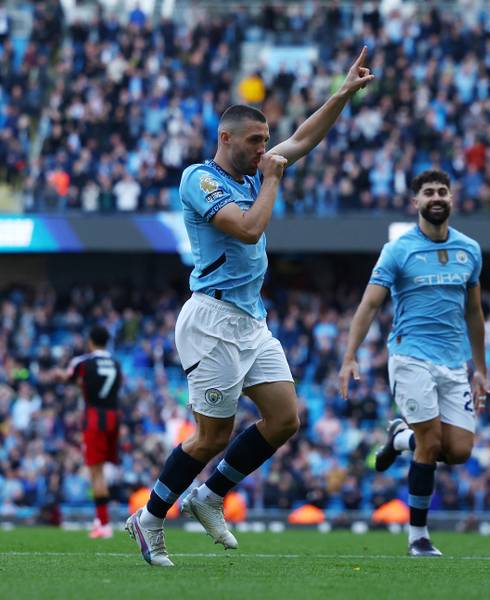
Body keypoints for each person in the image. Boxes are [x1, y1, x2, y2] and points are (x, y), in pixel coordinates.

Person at [125, 48, 374, 567]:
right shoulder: (201, 179)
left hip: (250, 320)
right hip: (210, 320)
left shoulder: (253, 172)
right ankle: (149, 519)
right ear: (227, 139)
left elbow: (303, 138)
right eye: (256, 141)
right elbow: (247, 227)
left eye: (266, 140)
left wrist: (342, 94)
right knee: (212, 434)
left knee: (285, 419)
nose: (265, 149)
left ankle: (211, 496)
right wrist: (275, 179)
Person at [338, 169, 489, 557]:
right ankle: (418, 536)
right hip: (410, 357)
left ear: (452, 199)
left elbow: (474, 313)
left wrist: (481, 367)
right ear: (415, 202)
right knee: (431, 441)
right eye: (428, 192)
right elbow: (370, 304)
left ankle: (397, 438)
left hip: (455, 363)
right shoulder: (398, 250)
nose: (436, 197)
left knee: (458, 452)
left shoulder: (469, 249)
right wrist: (350, 355)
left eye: (442, 191)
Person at [58, 325, 123, 539]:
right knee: (103, 469)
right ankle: (100, 519)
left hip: (95, 417)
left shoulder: (84, 362)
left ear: (90, 342)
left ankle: (103, 524)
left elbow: (69, 378)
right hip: (113, 416)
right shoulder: (115, 363)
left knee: (96, 471)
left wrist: (57, 374)